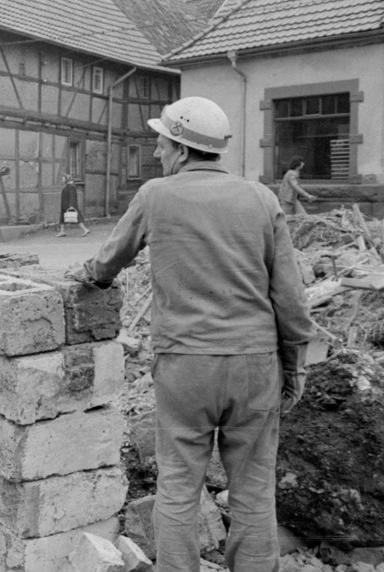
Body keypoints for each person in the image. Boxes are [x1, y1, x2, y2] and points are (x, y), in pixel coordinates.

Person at [70, 96, 314, 572]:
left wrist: (90, 279)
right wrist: (294, 365)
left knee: (179, 487)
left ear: (181, 148)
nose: (157, 152)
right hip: (254, 365)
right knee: (255, 489)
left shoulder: (156, 195)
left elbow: (105, 263)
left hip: (185, 366)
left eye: (161, 142)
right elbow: (290, 298)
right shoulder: (262, 199)